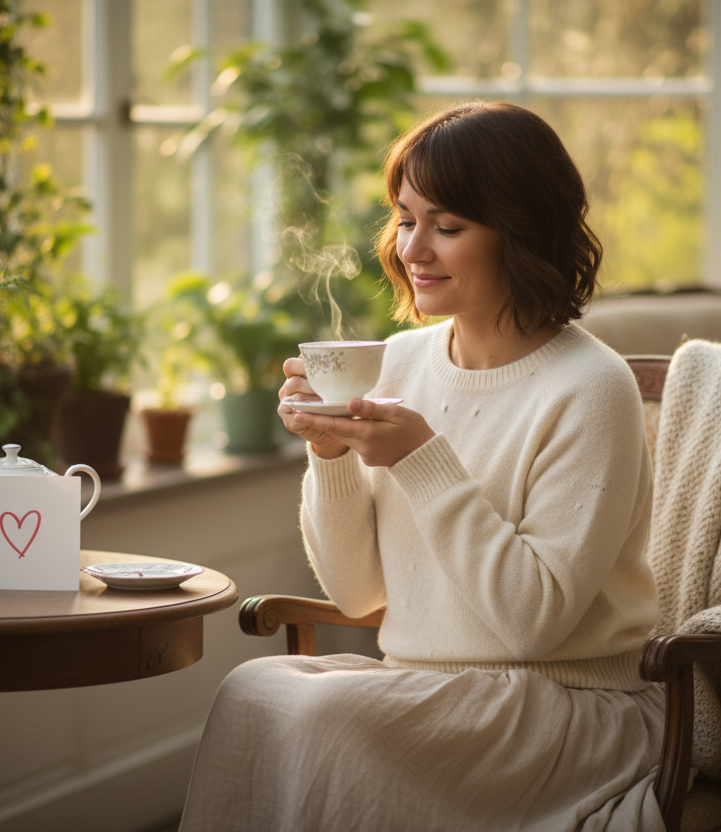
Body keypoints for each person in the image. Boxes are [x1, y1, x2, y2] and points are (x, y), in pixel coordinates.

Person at [179, 100, 664, 831]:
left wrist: (421, 459)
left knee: (325, 720)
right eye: (406, 219)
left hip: (561, 706)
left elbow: (532, 625)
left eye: (448, 225)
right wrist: (331, 455)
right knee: (251, 693)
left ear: (523, 233)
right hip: (426, 692)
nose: (413, 249)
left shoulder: (590, 389)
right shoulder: (398, 362)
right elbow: (356, 591)